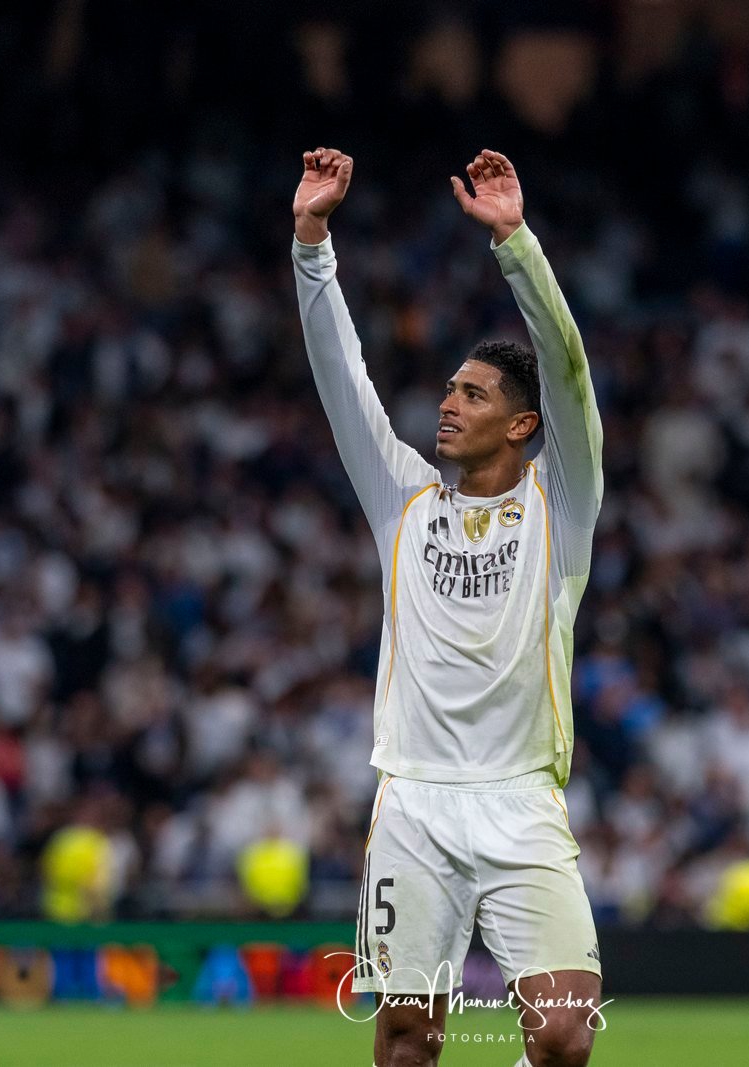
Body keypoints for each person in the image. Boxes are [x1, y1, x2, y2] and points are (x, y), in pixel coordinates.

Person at [293, 146, 604, 1066]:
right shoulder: (402, 499)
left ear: (522, 424)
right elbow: (340, 376)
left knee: (563, 1036)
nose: (448, 403)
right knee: (405, 1043)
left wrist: (516, 245)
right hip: (414, 802)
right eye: (448, 389)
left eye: (473, 394)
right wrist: (312, 241)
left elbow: (568, 370)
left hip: (522, 800)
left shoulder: (561, 502)